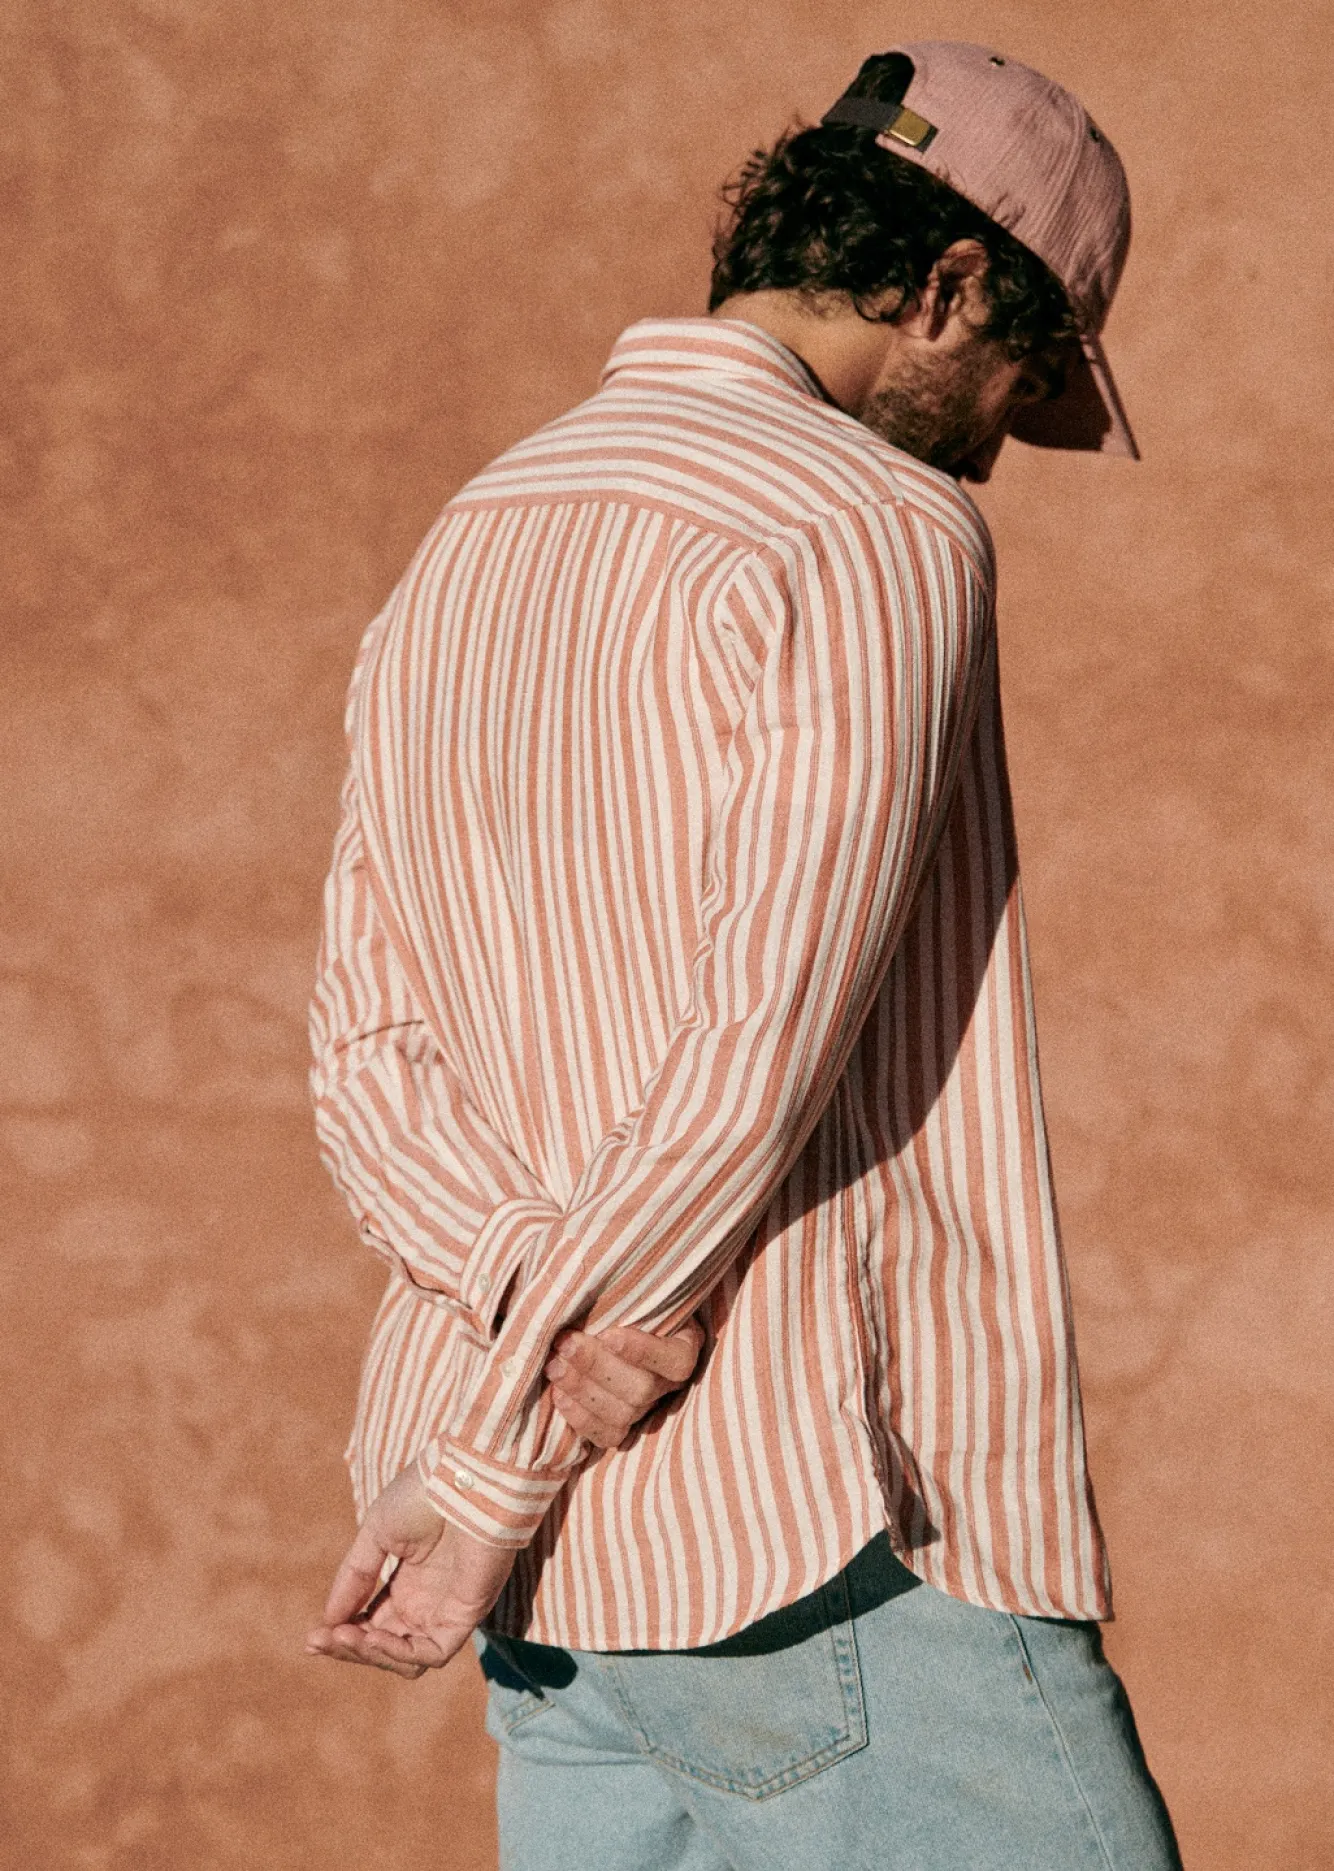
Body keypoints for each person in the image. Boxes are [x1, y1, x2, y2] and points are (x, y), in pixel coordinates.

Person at [304, 39, 1182, 1870]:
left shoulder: (473, 531)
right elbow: (747, 1059)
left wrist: (510, 1375)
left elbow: (364, 1055)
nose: (995, 446)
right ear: (948, 284)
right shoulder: (876, 527)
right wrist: (499, 1461)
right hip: (820, 1533)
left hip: (560, 1596)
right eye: (1017, 379)